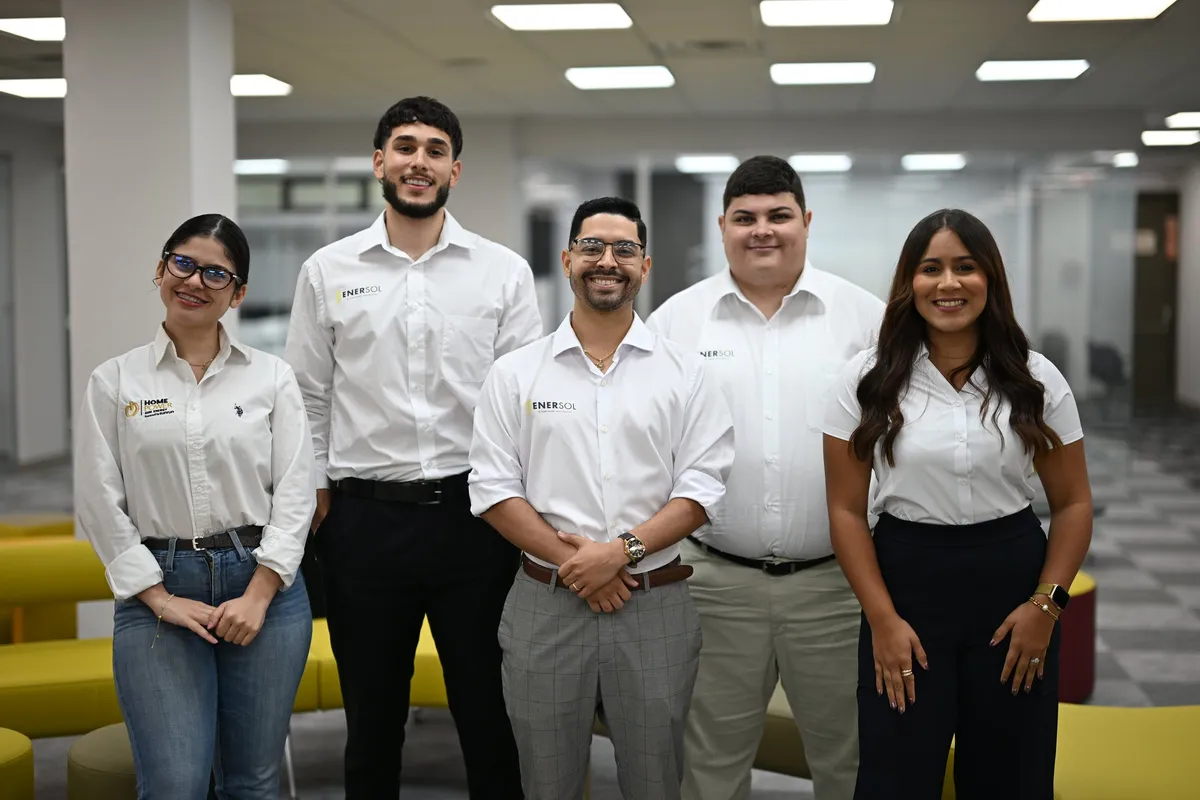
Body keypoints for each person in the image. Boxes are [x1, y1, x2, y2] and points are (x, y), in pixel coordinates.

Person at [283, 95, 541, 798]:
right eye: (405, 147)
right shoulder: (327, 271)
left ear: (454, 168)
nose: (418, 161)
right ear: (379, 162)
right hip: (365, 527)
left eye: (433, 150)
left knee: (491, 716)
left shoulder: (502, 272)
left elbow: (521, 403)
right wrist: (317, 493)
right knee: (371, 725)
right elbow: (306, 395)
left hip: (475, 521)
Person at [468, 196, 735, 800]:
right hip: (544, 606)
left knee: (655, 782)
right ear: (567, 260)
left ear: (645, 265)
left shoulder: (686, 374)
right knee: (545, 781)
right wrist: (579, 564)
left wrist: (620, 552)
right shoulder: (515, 374)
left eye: (623, 249)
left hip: (653, 607)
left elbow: (701, 488)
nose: (606, 260)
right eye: (591, 247)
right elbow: (491, 489)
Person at [822, 208, 1093, 800]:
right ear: (909, 283)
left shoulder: (1034, 377)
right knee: (896, 775)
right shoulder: (866, 380)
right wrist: (882, 620)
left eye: (965, 268)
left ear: (990, 279)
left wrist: (1046, 608)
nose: (949, 284)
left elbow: (1072, 504)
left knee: (1010, 775)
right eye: (931, 269)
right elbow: (844, 510)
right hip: (906, 587)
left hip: (1012, 587)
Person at [646, 155, 882, 800]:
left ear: (806, 221)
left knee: (849, 760)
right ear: (722, 225)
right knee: (711, 766)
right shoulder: (675, 322)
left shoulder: (866, 319)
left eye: (779, 215)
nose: (763, 230)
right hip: (715, 584)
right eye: (745, 218)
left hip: (835, 587)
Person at [75, 214, 315, 799]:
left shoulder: (271, 378)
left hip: (263, 585)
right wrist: (156, 598)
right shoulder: (115, 382)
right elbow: (98, 499)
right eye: (183, 263)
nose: (195, 281)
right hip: (159, 585)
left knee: (252, 781)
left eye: (216, 273)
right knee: (175, 783)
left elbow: (296, 490)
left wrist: (259, 595)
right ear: (160, 270)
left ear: (237, 294)